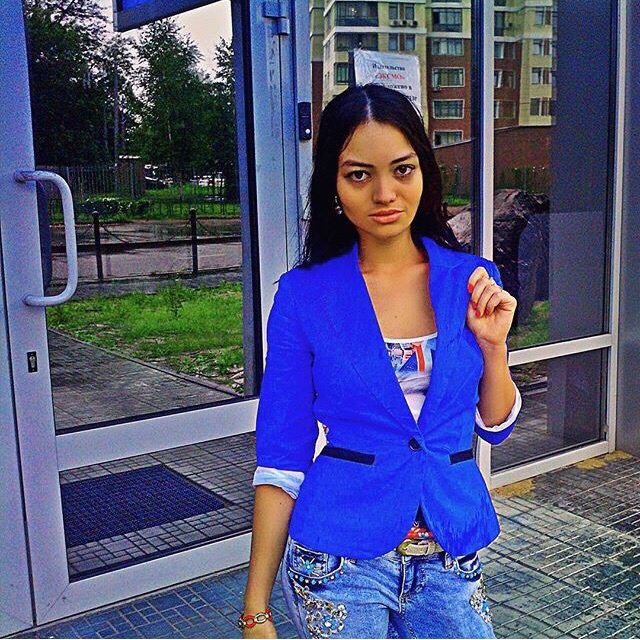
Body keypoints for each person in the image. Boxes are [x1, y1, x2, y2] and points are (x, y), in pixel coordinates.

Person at [239, 84, 520, 639]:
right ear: (334, 185)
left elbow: (495, 425)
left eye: (402, 169)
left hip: (449, 554)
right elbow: (281, 458)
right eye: (359, 175)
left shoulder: (470, 279)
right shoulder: (304, 297)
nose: (385, 193)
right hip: (339, 560)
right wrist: (256, 609)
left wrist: (494, 348)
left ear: (424, 172)